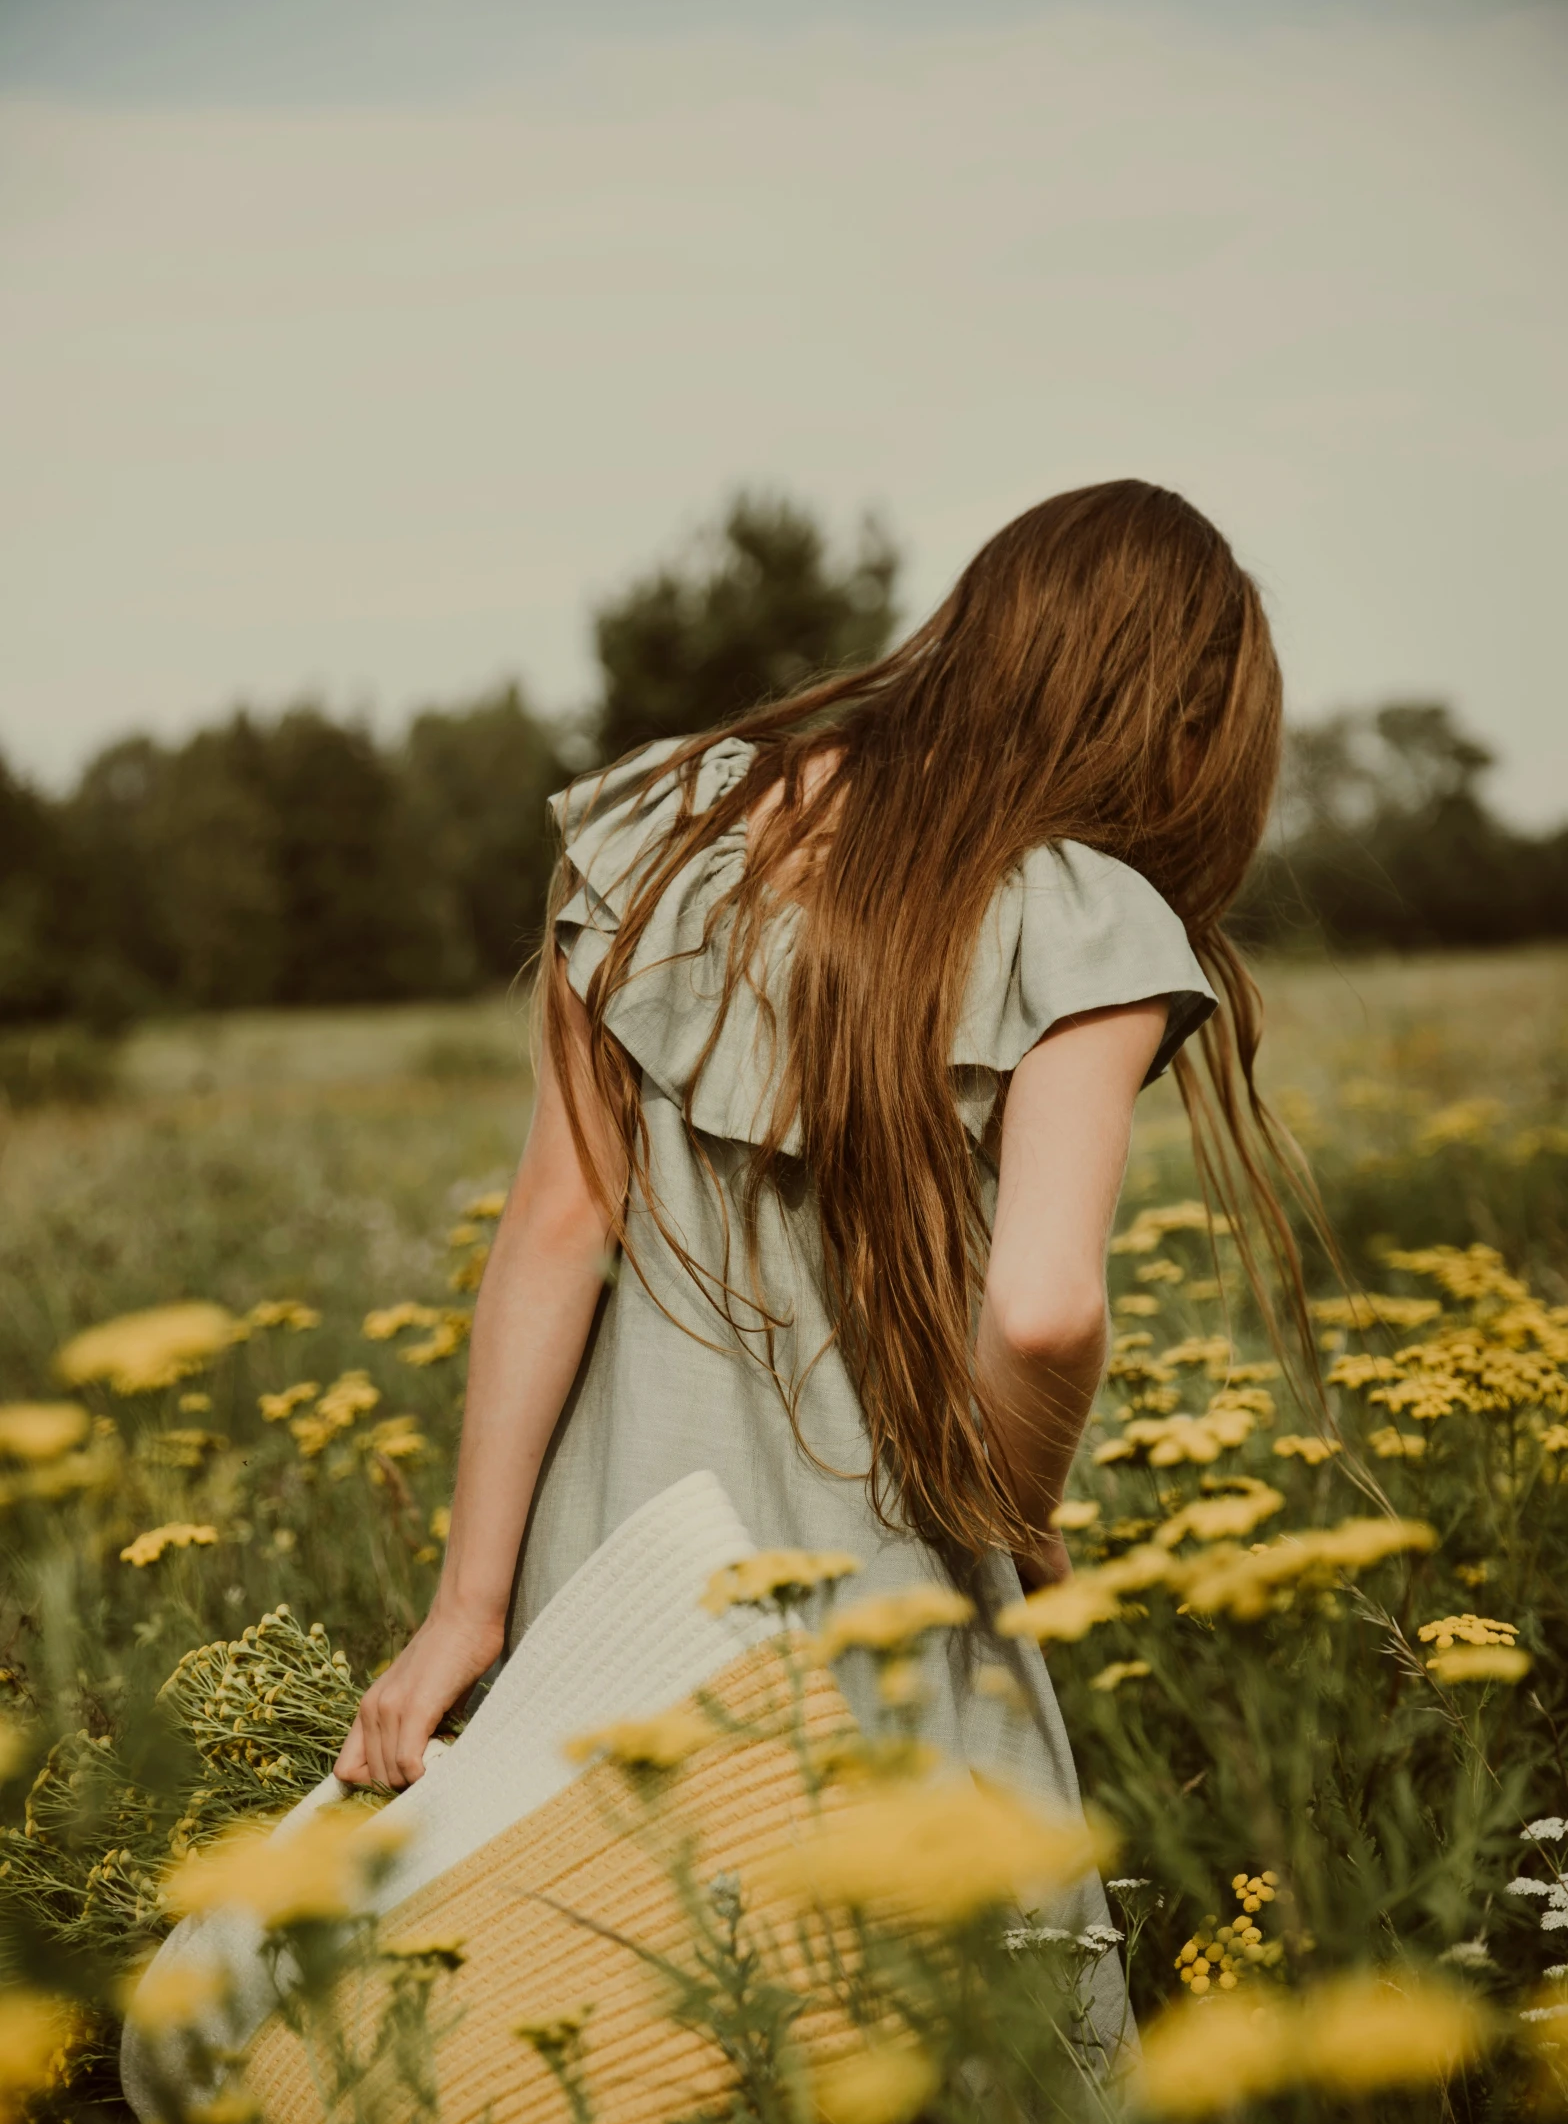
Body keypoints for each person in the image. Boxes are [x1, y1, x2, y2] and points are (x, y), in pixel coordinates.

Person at [333, 482, 1294, 2023]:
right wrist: (1019, 1514)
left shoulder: (676, 823)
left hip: (615, 1603)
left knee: (658, 2094)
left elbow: (551, 1233)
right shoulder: (1086, 920)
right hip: (888, 1597)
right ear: (1169, 714)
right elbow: (1042, 1315)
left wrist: (469, 1608)